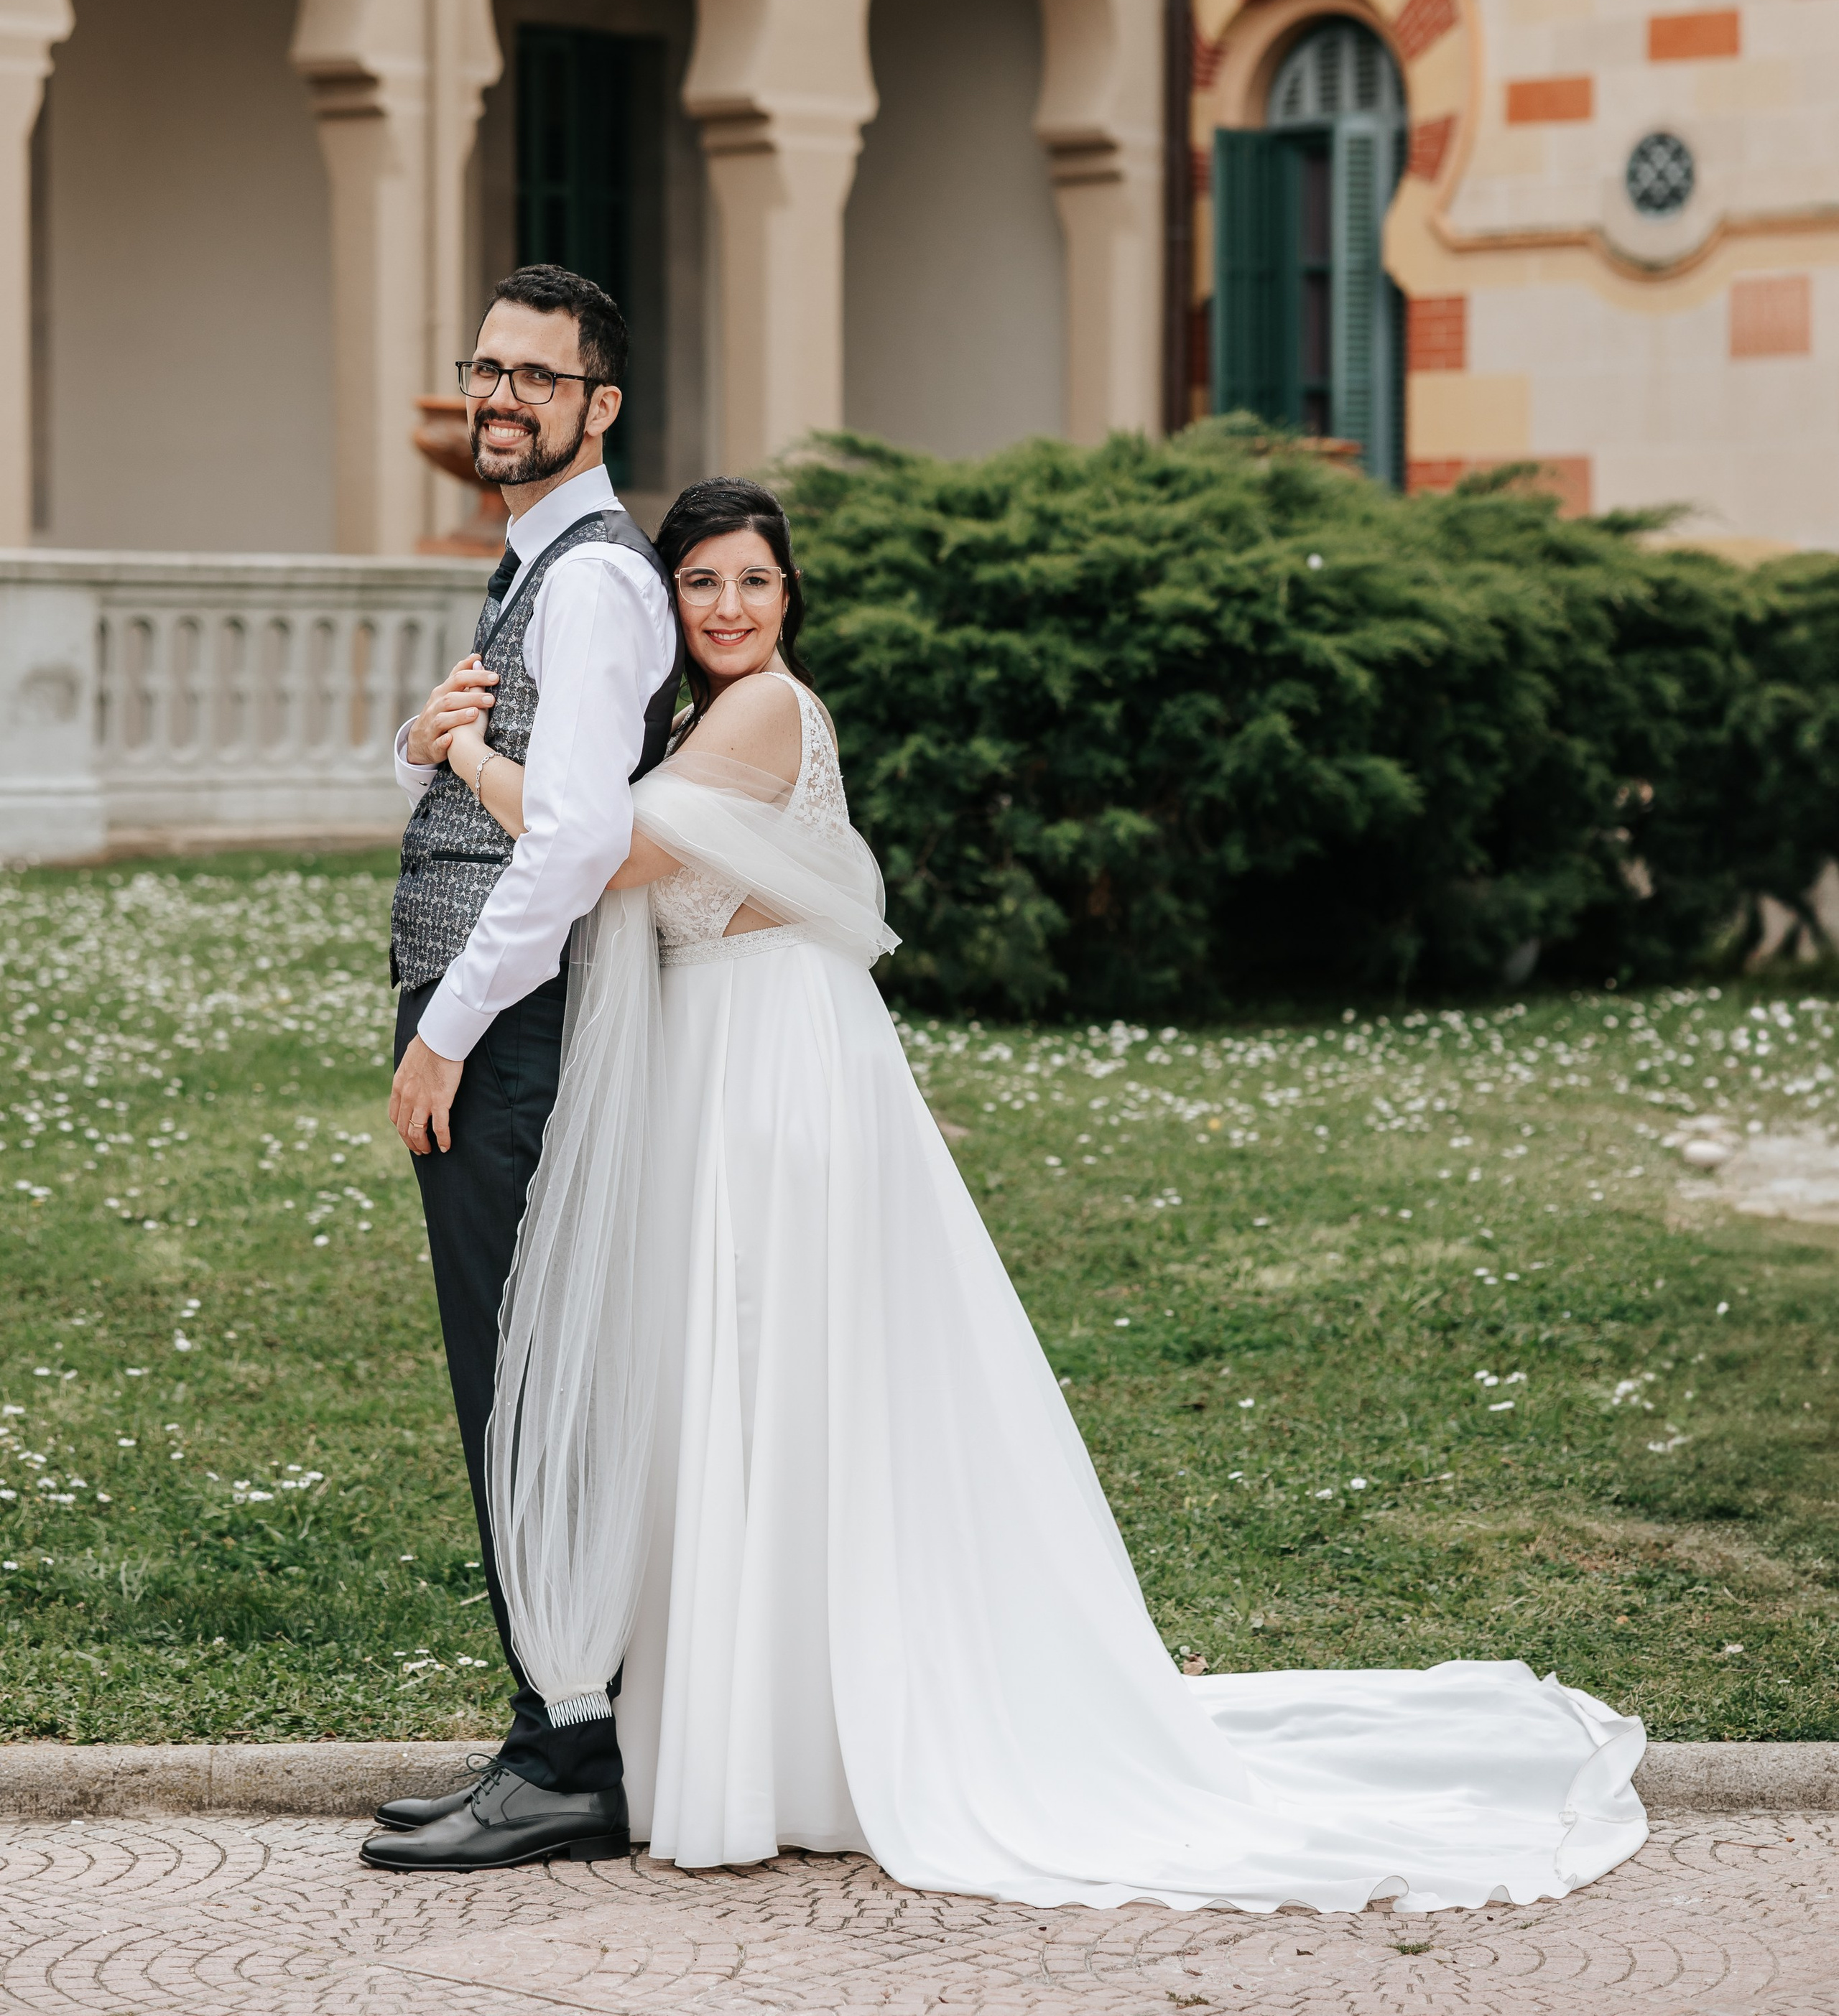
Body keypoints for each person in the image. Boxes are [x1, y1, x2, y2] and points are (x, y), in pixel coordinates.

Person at [403, 473, 1649, 1915]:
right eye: (703, 583)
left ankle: (814, 1734)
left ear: (790, 595)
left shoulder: (764, 712)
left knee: (787, 1377)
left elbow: (605, 850)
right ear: (672, 599)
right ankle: (765, 1732)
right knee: (747, 1391)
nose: (730, 606)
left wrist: (463, 752)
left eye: (755, 579)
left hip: (775, 1071)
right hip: (728, 1062)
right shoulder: (697, 726)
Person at [359, 264, 680, 1876]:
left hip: (508, 1028)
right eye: (486, 368)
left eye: (534, 377)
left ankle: (569, 1755)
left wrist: (445, 1031)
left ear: (597, 405)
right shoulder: (536, 564)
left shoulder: (593, 580)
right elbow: (506, 787)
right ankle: (554, 1727)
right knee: (518, 1375)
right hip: (492, 1020)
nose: (498, 397)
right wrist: (427, 740)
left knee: (523, 1387)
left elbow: (572, 844)